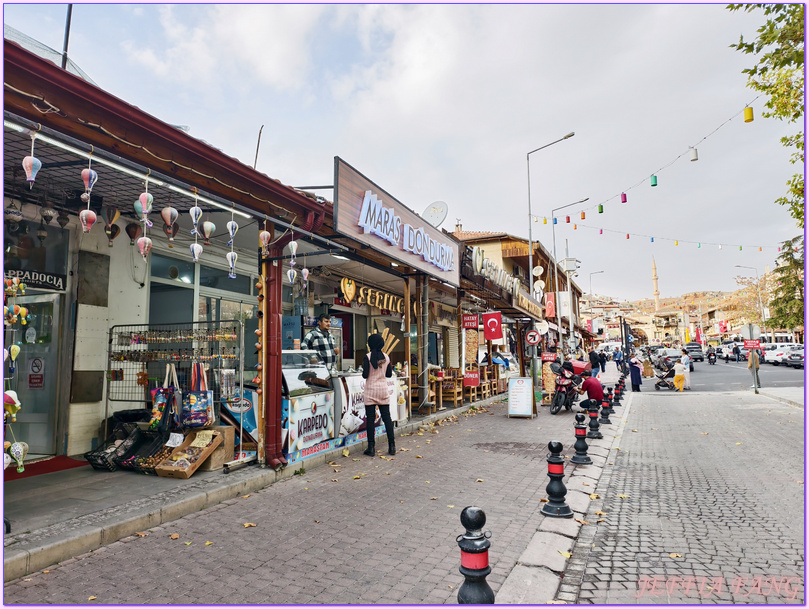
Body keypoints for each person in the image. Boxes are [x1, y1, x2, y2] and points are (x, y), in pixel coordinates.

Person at [361, 333, 395, 456]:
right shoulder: (386, 357)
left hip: (370, 390)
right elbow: (389, 375)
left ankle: (371, 448)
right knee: (387, 418)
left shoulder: (367, 357)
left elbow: (365, 375)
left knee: (370, 419)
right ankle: (392, 447)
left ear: (370, 344)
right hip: (383, 390)